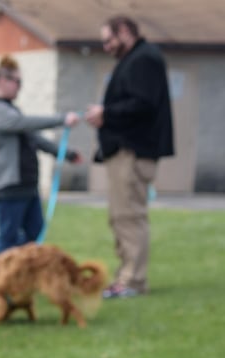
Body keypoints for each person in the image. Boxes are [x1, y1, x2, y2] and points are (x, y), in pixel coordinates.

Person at [85, 15, 174, 299]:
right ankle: (125, 275)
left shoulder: (144, 59)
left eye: (109, 39)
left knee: (129, 216)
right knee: (119, 216)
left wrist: (106, 113)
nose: (107, 46)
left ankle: (133, 280)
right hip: (121, 150)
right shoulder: (133, 60)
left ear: (125, 32)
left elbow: (143, 104)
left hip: (133, 151)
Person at [0, 55, 81, 259]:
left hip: (26, 185)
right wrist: (61, 119)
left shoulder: (10, 110)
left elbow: (35, 138)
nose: (19, 87)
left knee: (35, 236)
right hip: (8, 188)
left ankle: (18, 279)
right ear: (2, 81)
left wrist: (67, 154)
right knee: (8, 238)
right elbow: (24, 123)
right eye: (17, 81)